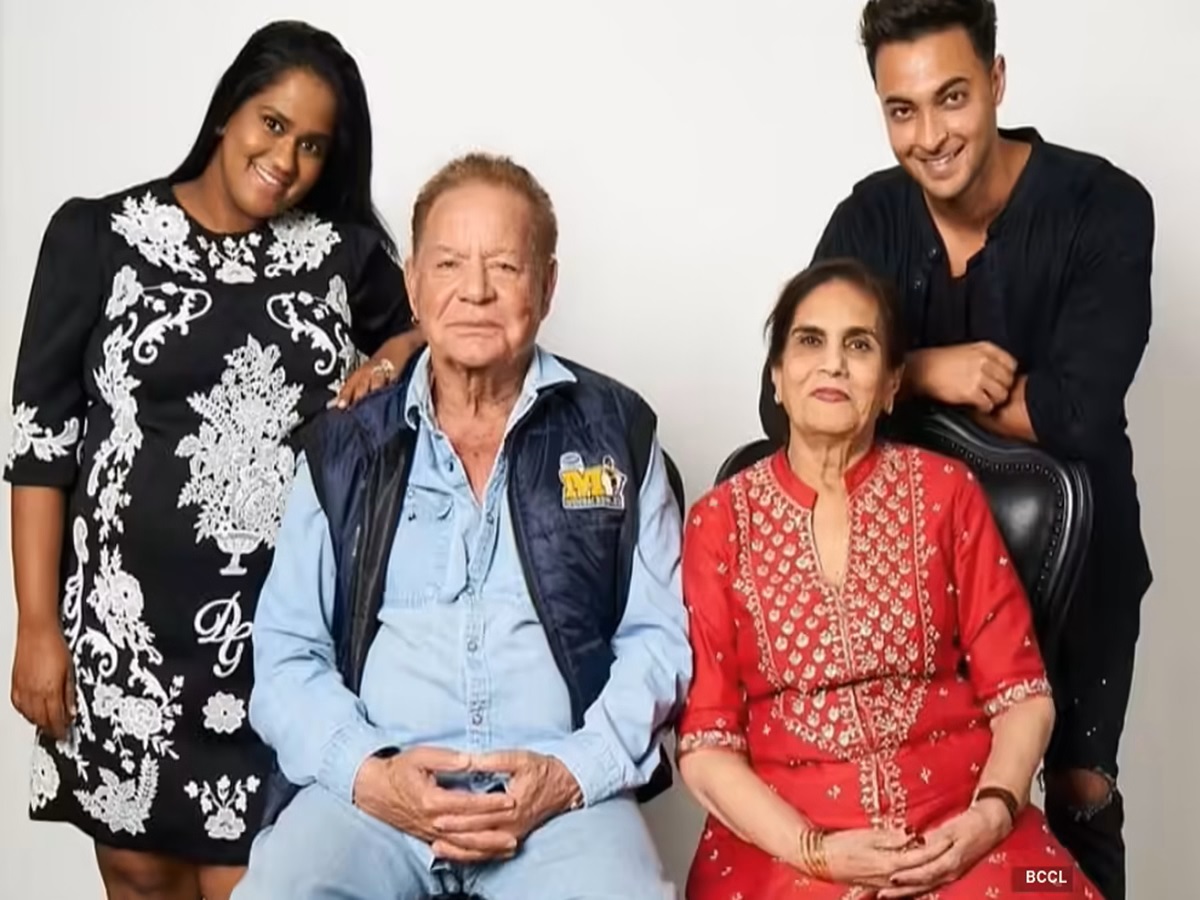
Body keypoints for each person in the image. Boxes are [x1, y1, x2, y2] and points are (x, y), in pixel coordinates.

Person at [6, 20, 422, 900]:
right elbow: (41, 444)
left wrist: (386, 360)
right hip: (123, 638)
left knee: (260, 876)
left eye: (313, 145)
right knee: (136, 869)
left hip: (277, 639)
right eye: (273, 124)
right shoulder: (99, 236)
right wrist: (37, 625)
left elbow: (430, 327)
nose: (287, 160)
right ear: (230, 108)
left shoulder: (340, 254)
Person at [756, 3, 1152, 895]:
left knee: (1080, 792)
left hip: (1076, 568)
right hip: (902, 588)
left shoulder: (1103, 205)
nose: (930, 136)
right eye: (902, 110)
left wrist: (878, 382)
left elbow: (1080, 412)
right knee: (910, 810)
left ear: (997, 81)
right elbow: (786, 400)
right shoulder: (869, 216)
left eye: (953, 98)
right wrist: (929, 368)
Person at [230, 152, 689, 900]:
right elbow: (287, 655)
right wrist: (368, 773)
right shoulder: (345, 447)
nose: (475, 290)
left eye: (505, 266)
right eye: (448, 264)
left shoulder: (618, 431)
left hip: (558, 800)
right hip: (373, 799)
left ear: (547, 285)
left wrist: (572, 773)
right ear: (413, 283)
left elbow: (658, 640)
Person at [686, 258, 1098, 898]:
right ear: (777, 378)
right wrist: (816, 852)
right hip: (783, 848)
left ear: (890, 385)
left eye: (859, 346)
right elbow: (707, 743)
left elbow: (1022, 694)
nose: (833, 364)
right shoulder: (718, 522)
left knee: (1046, 882)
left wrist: (989, 817)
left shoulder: (947, 494)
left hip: (964, 831)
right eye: (810, 341)